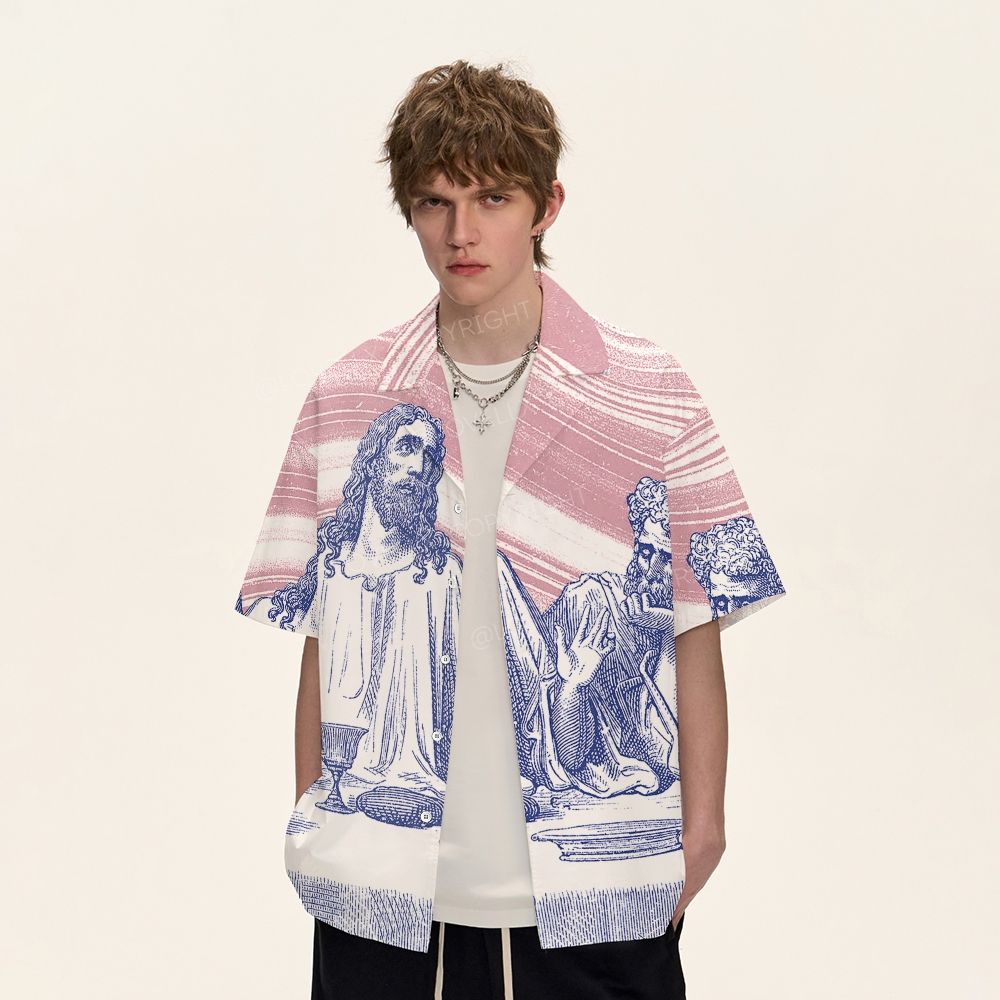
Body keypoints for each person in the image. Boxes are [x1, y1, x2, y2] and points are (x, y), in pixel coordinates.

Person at [235, 59, 787, 1000]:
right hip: (384, 897)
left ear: (546, 205)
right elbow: (319, 634)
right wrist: (317, 824)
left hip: (596, 899)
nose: (462, 232)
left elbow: (698, 624)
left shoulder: (651, 395)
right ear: (410, 212)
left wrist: (703, 830)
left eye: (492, 197)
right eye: (435, 202)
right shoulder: (349, 398)